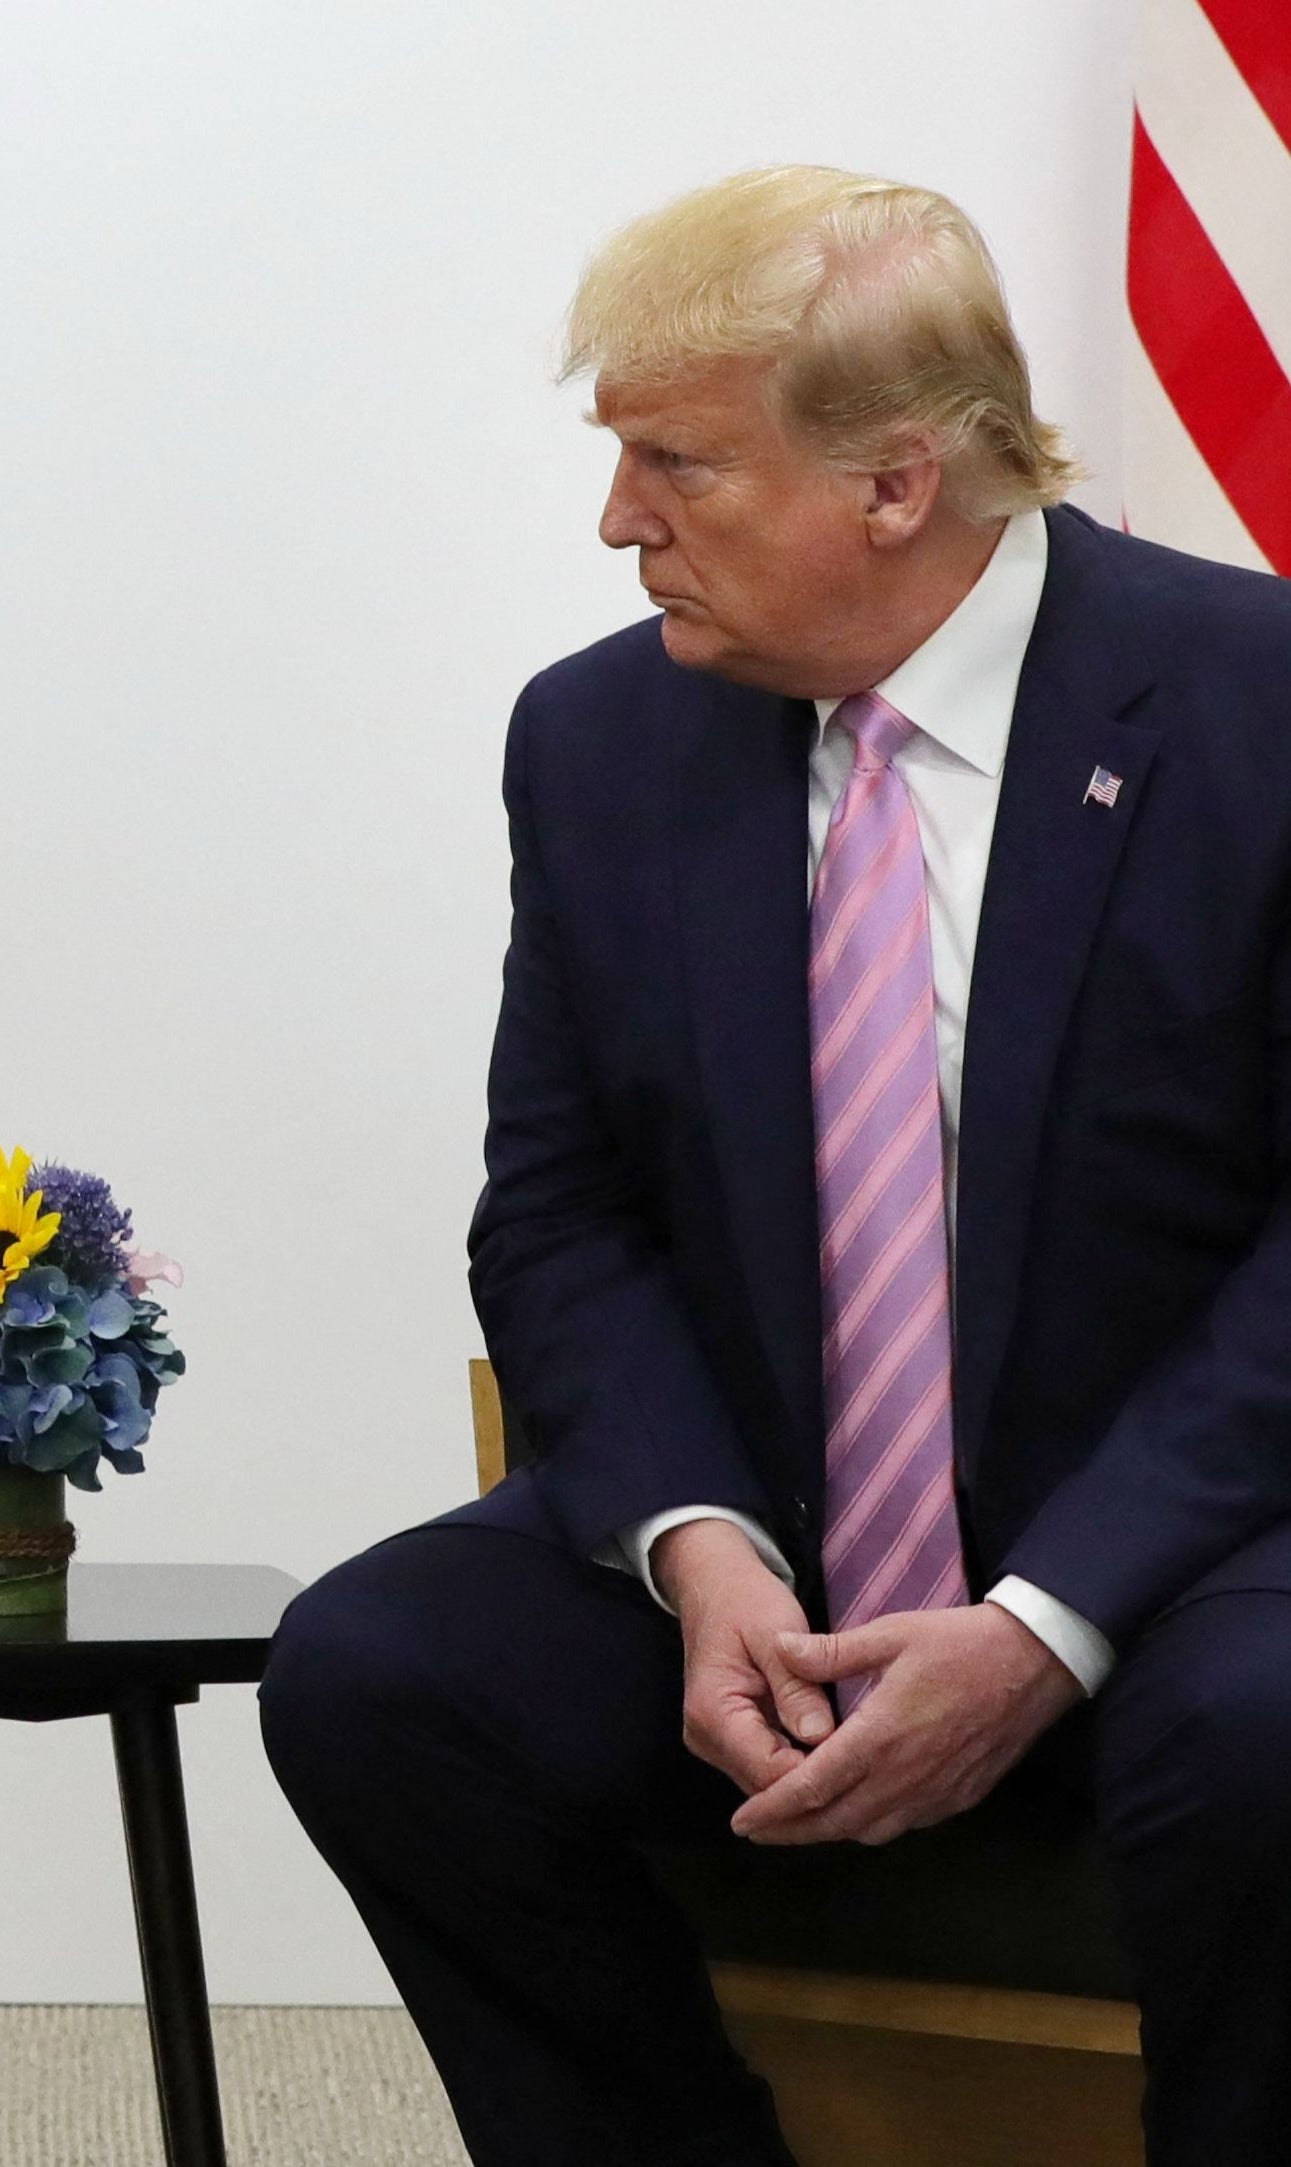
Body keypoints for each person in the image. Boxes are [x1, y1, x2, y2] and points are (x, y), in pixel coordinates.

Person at [259, 167, 1291, 2165]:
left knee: (1274, 1746)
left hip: (1192, 1554)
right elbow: (558, 1214)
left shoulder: (1255, 706)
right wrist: (696, 1547)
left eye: (675, 463)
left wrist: (1044, 1621)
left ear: (899, 485)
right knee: (383, 1676)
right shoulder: (599, 742)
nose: (619, 519)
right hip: (780, 1557)